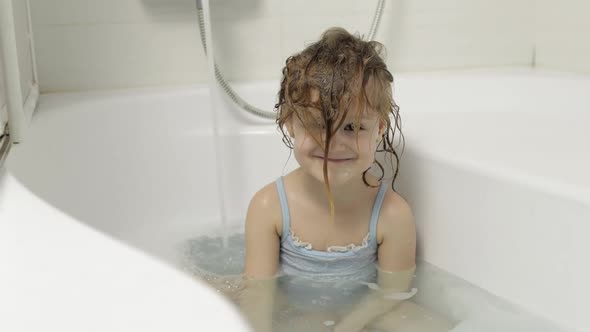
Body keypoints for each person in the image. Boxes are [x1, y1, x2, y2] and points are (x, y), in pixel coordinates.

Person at [238, 27, 452, 332]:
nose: (333, 144)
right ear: (289, 124)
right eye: (315, 125)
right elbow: (259, 295)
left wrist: (349, 325)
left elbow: (392, 294)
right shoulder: (269, 206)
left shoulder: (392, 215)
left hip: (363, 314)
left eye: (352, 128)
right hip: (293, 308)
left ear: (379, 128)